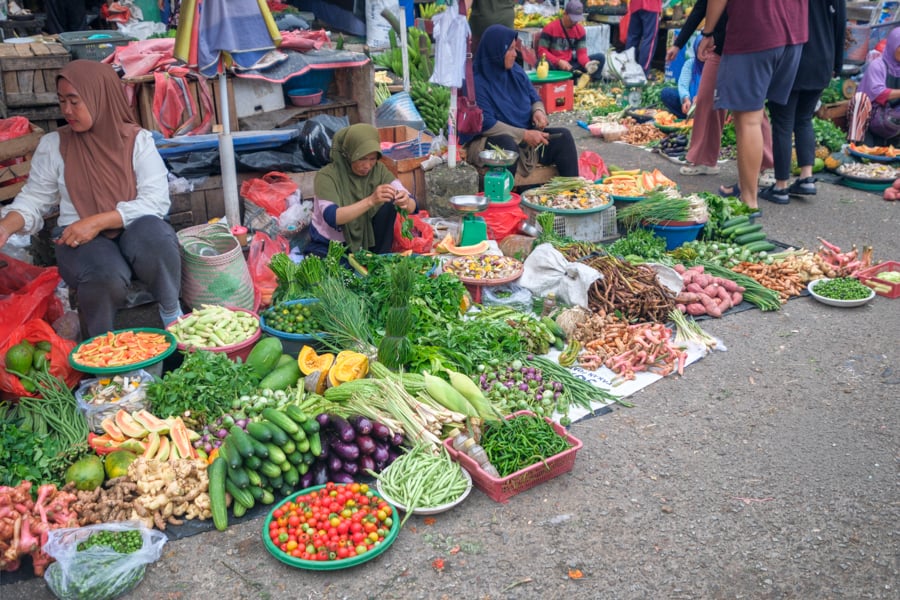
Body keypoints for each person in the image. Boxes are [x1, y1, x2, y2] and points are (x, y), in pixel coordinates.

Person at [0, 60, 181, 339]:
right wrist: (5, 228)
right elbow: (34, 200)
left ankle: (173, 318)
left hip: (132, 230)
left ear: (101, 98)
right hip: (80, 240)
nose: (67, 111)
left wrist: (98, 222)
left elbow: (156, 201)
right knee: (104, 274)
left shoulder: (138, 141)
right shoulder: (54, 145)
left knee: (155, 236)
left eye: (75, 101)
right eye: (62, 101)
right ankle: (103, 349)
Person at [698, 0, 808, 216]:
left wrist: (708, 31)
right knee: (756, 115)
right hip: (794, 33)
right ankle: (745, 185)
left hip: (756, 30)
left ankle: (749, 201)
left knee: (748, 119)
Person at [665, 0, 775, 180]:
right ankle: (704, 160)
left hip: (746, 46)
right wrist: (679, 43)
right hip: (718, 46)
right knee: (706, 99)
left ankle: (768, 165)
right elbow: (702, 6)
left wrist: (709, 35)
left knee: (751, 107)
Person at [460, 25, 580, 185]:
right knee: (507, 147)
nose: (514, 54)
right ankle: (503, 200)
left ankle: (572, 194)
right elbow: (486, 124)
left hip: (523, 138)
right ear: (497, 52)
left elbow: (533, 96)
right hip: (488, 141)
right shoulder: (476, 82)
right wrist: (524, 135)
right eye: (509, 49)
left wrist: (538, 112)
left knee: (563, 137)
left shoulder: (515, 71)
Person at [761, 0, 846, 205]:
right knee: (804, 118)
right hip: (822, 60)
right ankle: (806, 178)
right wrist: (837, 63)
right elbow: (841, 22)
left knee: (782, 122)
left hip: (791, 59)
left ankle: (780, 186)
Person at [306, 123, 417, 257]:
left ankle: (379, 256)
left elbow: (413, 205)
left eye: (372, 159)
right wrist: (371, 201)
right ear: (348, 154)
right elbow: (332, 217)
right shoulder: (327, 176)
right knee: (335, 271)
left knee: (389, 203)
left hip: (368, 242)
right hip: (331, 243)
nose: (367, 166)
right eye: (361, 159)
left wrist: (405, 201)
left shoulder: (378, 170)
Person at [848, 28, 900, 146]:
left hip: (894, 114)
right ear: (892, 46)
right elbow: (879, 93)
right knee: (860, 99)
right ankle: (856, 143)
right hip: (874, 114)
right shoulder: (878, 65)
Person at [537, 0, 605, 81]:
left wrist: (587, 64)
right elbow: (542, 51)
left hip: (570, 66)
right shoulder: (550, 28)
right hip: (555, 66)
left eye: (577, 19)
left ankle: (591, 83)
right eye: (572, 19)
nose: (574, 22)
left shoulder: (580, 30)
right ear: (565, 14)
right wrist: (558, 61)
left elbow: (581, 53)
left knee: (600, 58)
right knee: (543, 63)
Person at [660, 34, 703, 119]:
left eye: (707, 49)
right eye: (701, 48)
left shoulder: (714, 66)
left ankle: (696, 118)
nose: (704, 52)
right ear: (696, 48)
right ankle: (689, 116)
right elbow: (683, 84)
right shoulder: (690, 63)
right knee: (667, 93)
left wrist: (702, 97)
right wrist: (686, 99)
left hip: (706, 105)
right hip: (691, 103)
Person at [626, 0, 662, 76]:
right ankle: (643, 71)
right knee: (650, 39)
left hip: (635, 4)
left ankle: (627, 67)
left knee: (633, 37)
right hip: (651, 5)